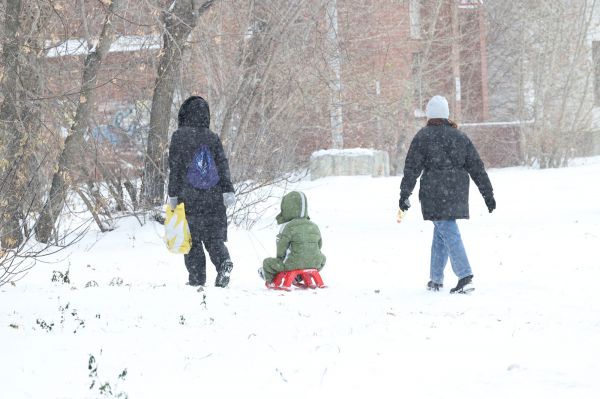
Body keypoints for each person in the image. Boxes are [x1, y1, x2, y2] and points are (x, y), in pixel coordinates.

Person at [398, 95, 495, 294]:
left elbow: (411, 169)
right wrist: (488, 194)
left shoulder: (423, 137)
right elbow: (477, 167)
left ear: (429, 115)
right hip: (456, 192)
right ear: (446, 114)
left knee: (448, 230)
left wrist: (404, 193)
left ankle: (465, 276)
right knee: (441, 233)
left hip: (434, 193)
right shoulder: (460, 137)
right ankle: (435, 279)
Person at [167, 96, 236, 288]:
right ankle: (223, 262)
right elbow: (222, 164)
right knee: (213, 237)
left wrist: (172, 194)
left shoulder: (179, 137)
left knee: (192, 240)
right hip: (213, 197)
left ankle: (197, 280)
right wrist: (227, 189)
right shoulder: (212, 137)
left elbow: (175, 167)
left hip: (188, 197)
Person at [258, 191, 326, 285]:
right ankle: (301, 276)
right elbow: (319, 245)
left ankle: (271, 280)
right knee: (323, 258)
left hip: (292, 264)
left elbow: (281, 247)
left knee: (267, 262)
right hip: (315, 262)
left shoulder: (288, 226)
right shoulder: (314, 226)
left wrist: (280, 259)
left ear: (287, 208)